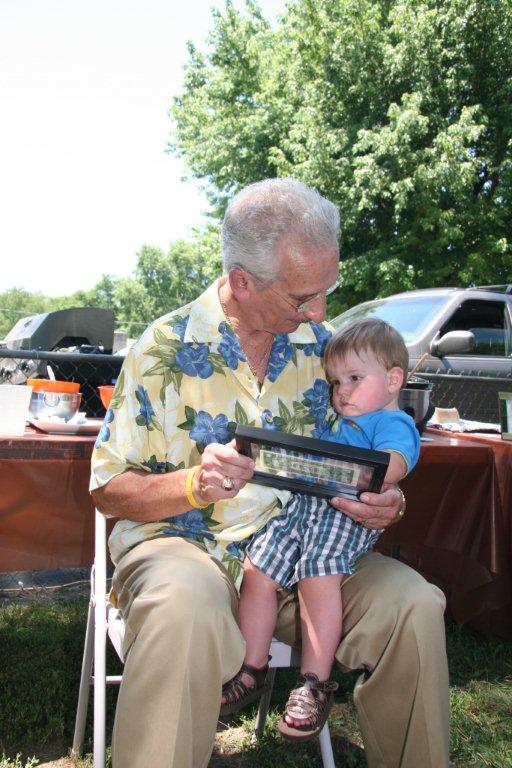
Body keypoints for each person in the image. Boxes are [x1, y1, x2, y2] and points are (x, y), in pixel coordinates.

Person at [90, 177, 450, 768]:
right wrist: (191, 483)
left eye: (326, 291)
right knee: (184, 608)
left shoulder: (333, 354)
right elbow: (108, 489)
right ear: (242, 281)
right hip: (186, 550)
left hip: (308, 559)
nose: (321, 311)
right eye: (303, 297)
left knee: (412, 604)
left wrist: (390, 502)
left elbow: (378, 461)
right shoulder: (162, 348)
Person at [220, 318, 420, 741]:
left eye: (353, 378)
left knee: (317, 578)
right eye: (335, 382)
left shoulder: (392, 423)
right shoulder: (340, 421)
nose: (341, 391)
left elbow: (393, 466)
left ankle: (313, 683)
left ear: (393, 380)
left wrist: (384, 478)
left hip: (343, 516)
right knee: (257, 572)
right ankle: (251, 668)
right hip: (302, 510)